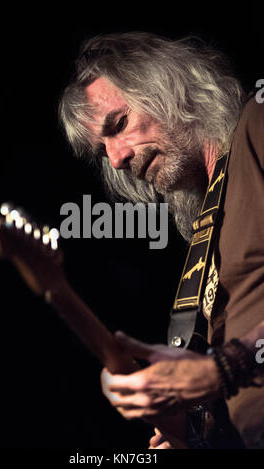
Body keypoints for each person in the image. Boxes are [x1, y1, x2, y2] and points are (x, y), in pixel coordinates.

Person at [59, 32, 264, 448]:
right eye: (104, 152)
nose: (116, 158)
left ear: (169, 87)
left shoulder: (259, 124)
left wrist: (227, 366)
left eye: (118, 125)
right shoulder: (209, 219)